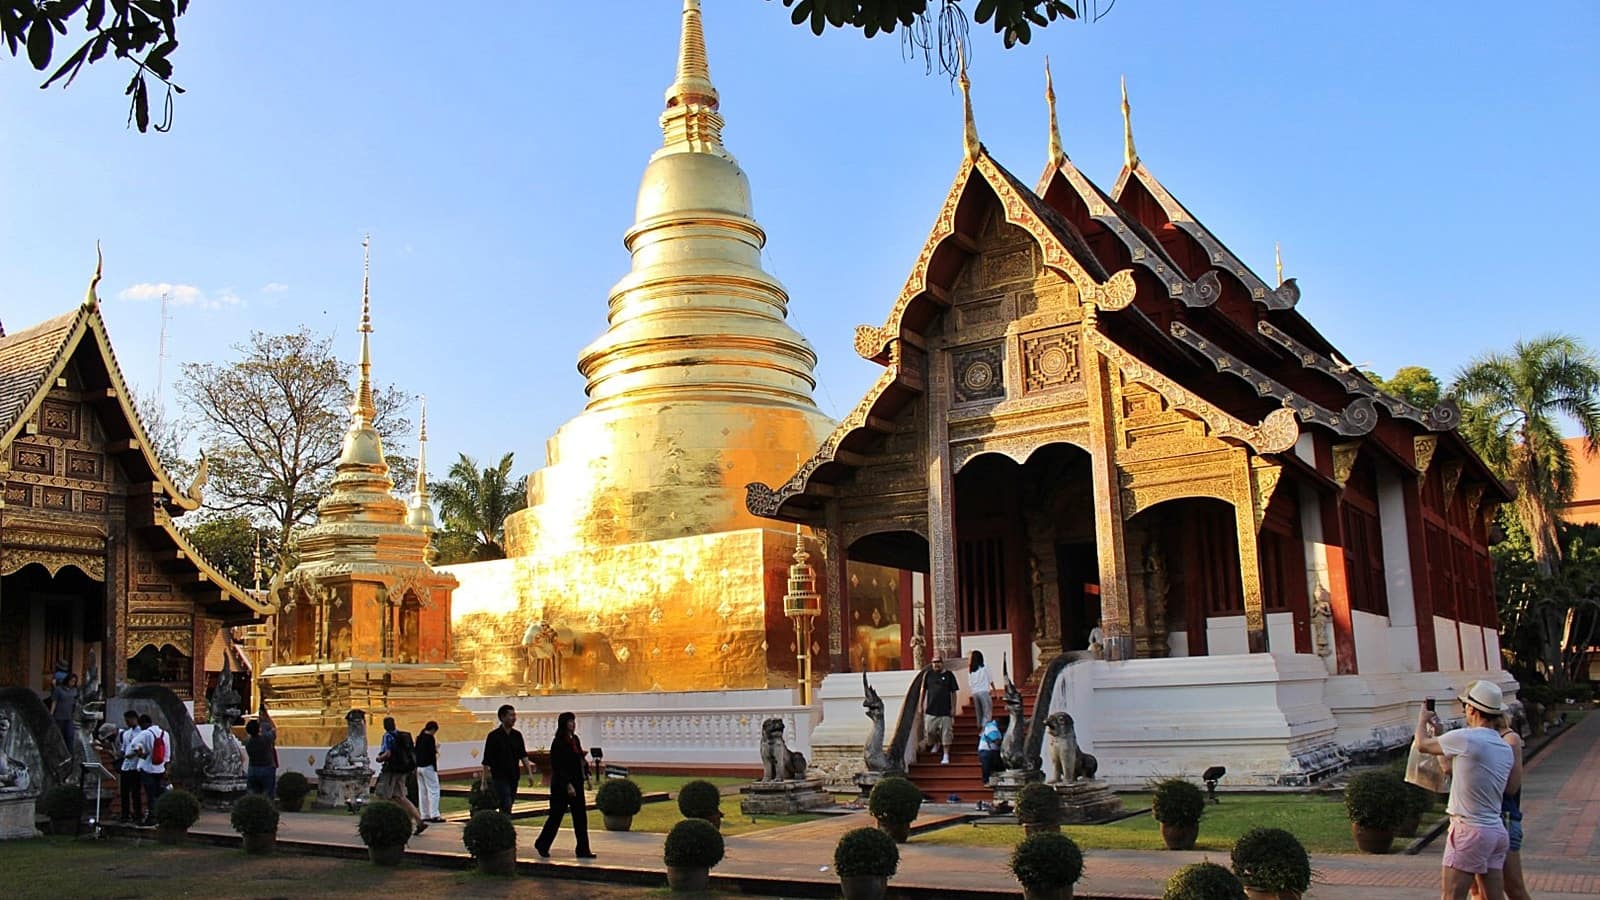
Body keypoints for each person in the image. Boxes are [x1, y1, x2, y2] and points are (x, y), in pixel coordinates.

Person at [1414, 680, 1520, 900]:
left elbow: (1422, 744)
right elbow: (1448, 767)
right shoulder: (1504, 746)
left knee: (1451, 896)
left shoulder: (1466, 737)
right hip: (1495, 830)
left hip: (1469, 829)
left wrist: (1422, 719)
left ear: (1472, 709)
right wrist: (1441, 734)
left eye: (1465, 707)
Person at [534, 711, 595, 860]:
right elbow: (558, 766)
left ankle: (583, 849)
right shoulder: (558, 742)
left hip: (577, 782)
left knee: (580, 817)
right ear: (564, 724)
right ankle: (542, 843)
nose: (573, 724)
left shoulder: (575, 740)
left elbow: (580, 758)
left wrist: (587, 775)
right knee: (556, 816)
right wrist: (567, 785)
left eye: (573, 721)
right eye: (570, 721)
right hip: (562, 786)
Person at [480, 704, 537, 815]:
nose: (514, 718)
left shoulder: (517, 735)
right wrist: (484, 781)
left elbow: (523, 756)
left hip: (513, 775)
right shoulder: (493, 736)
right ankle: (504, 823)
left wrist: (529, 773)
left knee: (509, 802)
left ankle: (503, 822)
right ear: (502, 717)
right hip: (499, 776)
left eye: (514, 715)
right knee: (506, 801)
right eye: (511, 715)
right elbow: (486, 760)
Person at [374, 716, 426, 835]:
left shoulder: (387, 736)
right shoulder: (402, 736)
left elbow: (387, 753)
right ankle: (419, 821)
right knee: (399, 796)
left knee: (384, 795)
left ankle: (388, 823)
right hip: (403, 770)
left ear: (385, 726)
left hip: (392, 770)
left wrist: (379, 758)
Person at [921, 656, 959, 764]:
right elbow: (923, 690)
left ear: (942, 663)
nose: (936, 664)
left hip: (945, 710)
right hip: (931, 710)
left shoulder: (949, 675)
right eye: (933, 662)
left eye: (938, 662)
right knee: (929, 731)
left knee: (946, 733)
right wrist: (920, 705)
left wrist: (953, 708)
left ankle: (946, 754)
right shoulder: (928, 675)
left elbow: (954, 692)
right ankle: (936, 742)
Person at [132, 713, 166, 826]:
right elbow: (168, 755)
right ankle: (160, 816)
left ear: (143, 724)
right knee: (159, 793)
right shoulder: (164, 734)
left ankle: (151, 817)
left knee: (150, 794)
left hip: (147, 768)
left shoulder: (145, 733)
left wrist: (141, 754)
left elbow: (134, 744)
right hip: (160, 768)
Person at [114, 710, 143, 822]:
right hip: (126, 766)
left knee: (136, 791)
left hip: (136, 765)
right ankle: (125, 814)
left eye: (129, 720)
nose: (127, 723)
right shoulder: (126, 733)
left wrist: (133, 754)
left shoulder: (141, 732)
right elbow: (124, 749)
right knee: (124, 792)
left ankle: (138, 814)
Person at [416, 720, 442, 823]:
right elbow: (431, 753)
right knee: (434, 790)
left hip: (419, 767)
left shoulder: (420, 737)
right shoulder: (429, 738)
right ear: (433, 730)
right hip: (428, 767)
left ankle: (424, 814)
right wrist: (436, 749)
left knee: (422, 791)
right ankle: (434, 814)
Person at [47, 672, 80, 754]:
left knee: (69, 735)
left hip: (69, 717)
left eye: (74, 681)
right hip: (59, 716)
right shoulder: (59, 690)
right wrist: (51, 713)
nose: (72, 683)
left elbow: (76, 702)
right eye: (71, 681)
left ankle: (70, 754)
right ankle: (57, 753)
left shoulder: (74, 691)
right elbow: (54, 702)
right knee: (59, 736)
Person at [244, 719, 276, 798]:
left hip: (253, 768)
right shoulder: (265, 739)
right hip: (266, 768)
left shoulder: (247, 742)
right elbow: (273, 730)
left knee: (253, 795)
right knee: (267, 794)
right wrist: (267, 717)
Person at [967, 650, 995, 729]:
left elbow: (970, 683)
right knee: (987, 710)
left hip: (975, 692)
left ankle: (979, 725)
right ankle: (985, 728)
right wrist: (994, 690)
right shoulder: (985, 666)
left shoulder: (971, 669)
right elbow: (990, 679)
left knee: (979, 711)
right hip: (984, 691)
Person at [977, 717, 1003, 786]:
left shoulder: (998, 729)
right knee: (987, 765)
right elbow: (997, 741)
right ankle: (986, 781)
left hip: (993, 751)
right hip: (986, 751)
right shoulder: (991, 727)